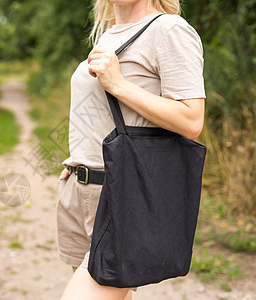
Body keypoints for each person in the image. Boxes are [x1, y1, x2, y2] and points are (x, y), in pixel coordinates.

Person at [56, 0, 206, 299]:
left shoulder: (168, 30)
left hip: (122, 194)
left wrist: (119, 84)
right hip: (79, 190)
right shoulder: (109, 33)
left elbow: (191, 120)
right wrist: (81, 158)